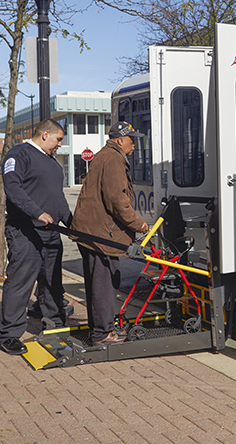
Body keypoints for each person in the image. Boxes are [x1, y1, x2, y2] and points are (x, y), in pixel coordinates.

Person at [0, 119, 72, 355]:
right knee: (20, 283)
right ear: (45, 134)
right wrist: (37, 212)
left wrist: (72, 223)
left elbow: (58, 198)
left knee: (52, 283)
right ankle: (9, 334)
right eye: (58, 139)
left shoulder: (53, 164)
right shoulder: (19, 155)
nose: (60, 145)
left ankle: (54, 325)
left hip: (51, 234)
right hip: (25, 232)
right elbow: (13, 188)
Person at [71, 121, 149, 344]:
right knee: (105, 284)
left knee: (98, 282)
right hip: (101, 234)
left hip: (93, 231)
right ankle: (102, 333)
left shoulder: (105, 155)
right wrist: (137, 224)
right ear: (120, 140)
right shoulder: (114, 158)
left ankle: (100, 329)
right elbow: (117, 199)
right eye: (132, 140)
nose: (134, 145)